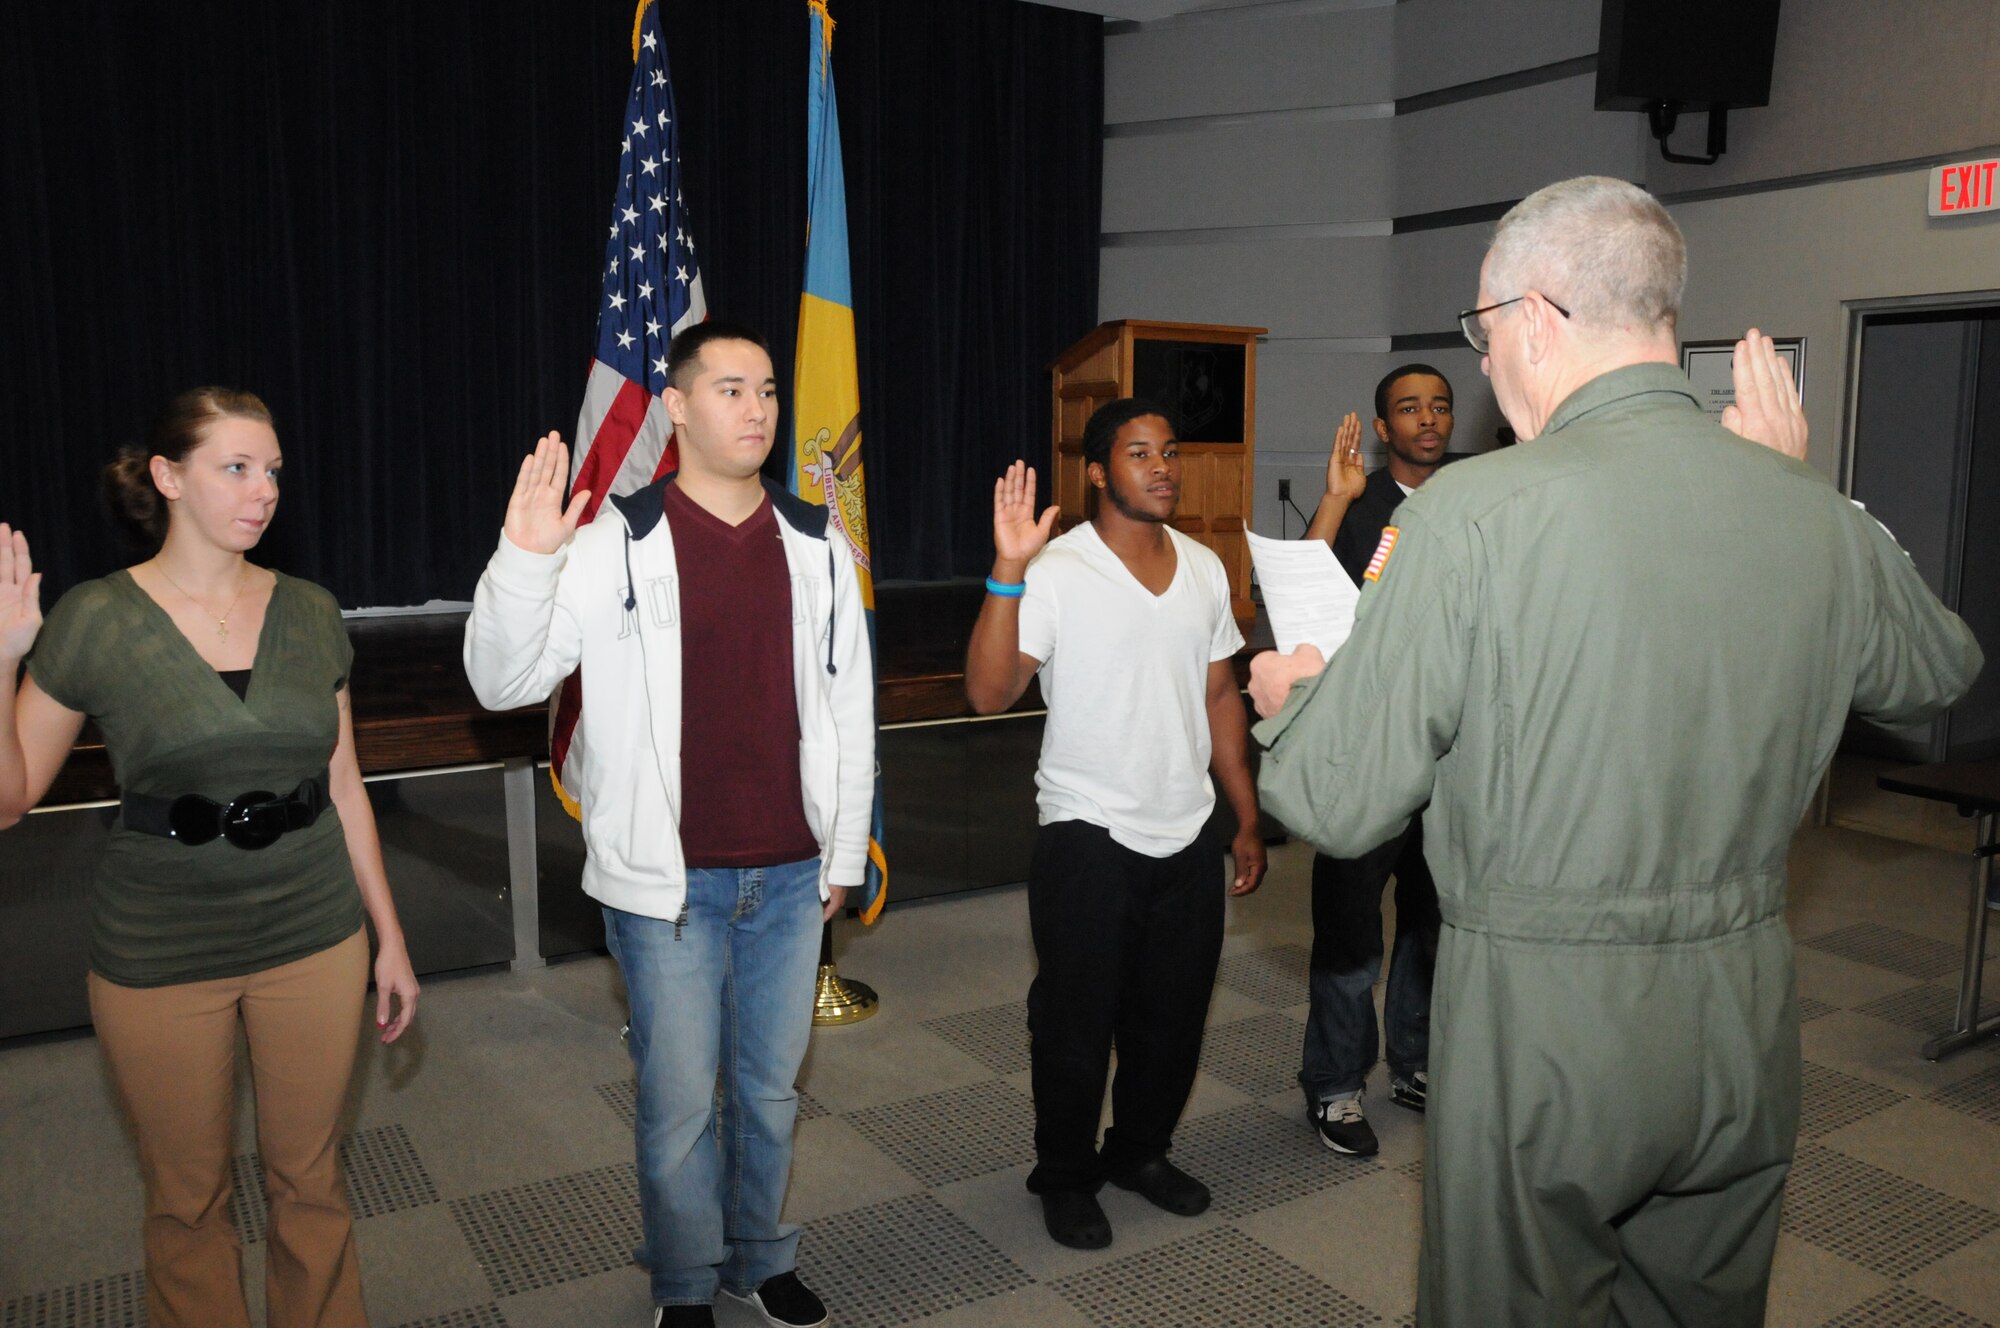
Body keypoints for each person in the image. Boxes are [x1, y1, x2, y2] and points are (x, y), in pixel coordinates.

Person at [1248, 176, 1983, 1327]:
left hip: (1543, 1021)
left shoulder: (1467, 513)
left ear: (1534, 319)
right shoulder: (1794, 502)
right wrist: (1810, 489)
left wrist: (1290, 697)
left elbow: (1336, 801)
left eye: (1481, 337)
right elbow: (1935, 665)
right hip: (1741, 1014)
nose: (1483, 369)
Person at [463, 321, 871, 1328]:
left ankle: (758, 1257)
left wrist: (842, 846)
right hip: (664, 881)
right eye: (729, 388)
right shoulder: (610, 543)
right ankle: (686, 1279)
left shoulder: (819, 544)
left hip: (786, 871)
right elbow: (501, 678)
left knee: (769, 1090)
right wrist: (523, 557)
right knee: (680, 1101)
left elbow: (851, 707)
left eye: (767, 389)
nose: (757, 408)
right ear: (677, 407)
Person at [0, 388, 420, 1328]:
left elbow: (345, 786)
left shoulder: (310, 611)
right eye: (236, 467)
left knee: (310, 1183)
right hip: (160, 949)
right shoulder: (96, 618)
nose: (263, 490)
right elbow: (10, 798)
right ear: (168, 477)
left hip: (314, 932)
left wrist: (388, 939)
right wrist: (2, 660)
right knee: (187, 1201)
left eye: (272, 470)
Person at [964, 398, 1267, 1251]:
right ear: (1099, 472)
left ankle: (1139, 1153)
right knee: (1075, 1023)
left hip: (1188, 827)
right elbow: (990, 693)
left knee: (1172, 1017)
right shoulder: (1058, 570)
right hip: (1086, 828)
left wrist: (1243, 813)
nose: (1163, 466)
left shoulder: (1207, 567)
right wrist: (1006, 571)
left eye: (1170, 452)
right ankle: (1063, 1174)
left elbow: (1217, 695)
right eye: (1140, 453)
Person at [1295, 366, 1455, 1155]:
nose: (1428, 420)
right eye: (1408, 410)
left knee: (1432, 926)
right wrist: (1335, 497)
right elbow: (1296, 591)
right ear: (1384, 427)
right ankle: (1334, 1084)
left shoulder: (1474, 499)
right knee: (1351, 935)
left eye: (1439, 406)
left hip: (1450, 759)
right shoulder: (1359, 504)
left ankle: (1415, 1062)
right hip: (1364, 755)